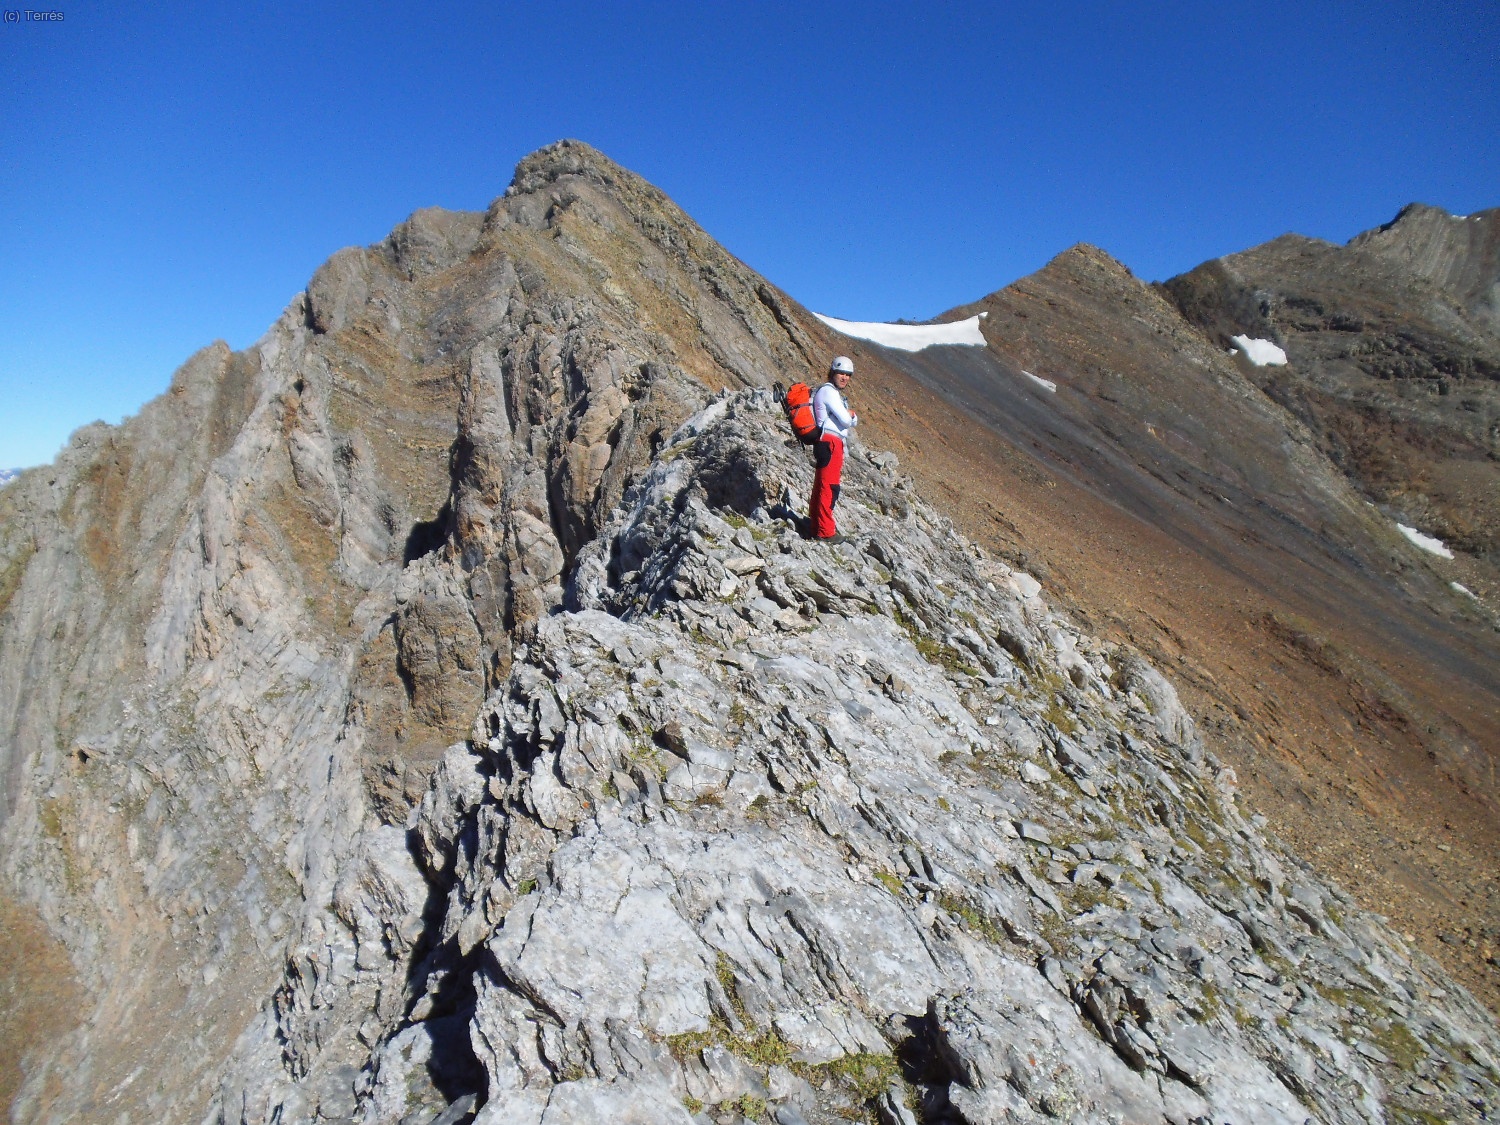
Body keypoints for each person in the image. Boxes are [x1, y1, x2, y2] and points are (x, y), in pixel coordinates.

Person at [809, 355, 858, 542]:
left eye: (848, 374)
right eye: (841, 373)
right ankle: (825, 532)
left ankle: (817, 526)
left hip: (828, 442)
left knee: (824, 485)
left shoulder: (830, 392)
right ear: (833, 373)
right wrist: (851, 415)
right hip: (830, 442)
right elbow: (846, 420)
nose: (845, 377)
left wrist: (850, 417)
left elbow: (849, 419)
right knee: (829, 487)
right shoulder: (829, 392)